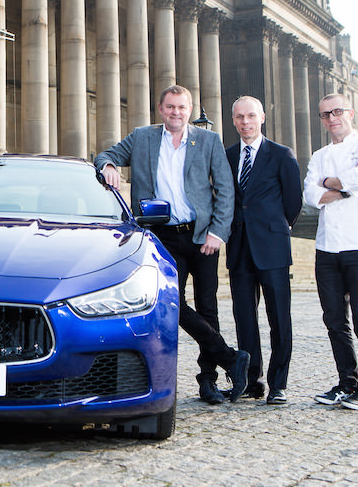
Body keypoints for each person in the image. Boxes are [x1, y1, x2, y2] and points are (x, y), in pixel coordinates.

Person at [95, 84, 248, 404]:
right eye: (170, 107)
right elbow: (107, 155)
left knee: (208, 307)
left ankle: (209, 382)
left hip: (202, 234)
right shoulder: (143, 137)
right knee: (170, 304)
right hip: (162, 237)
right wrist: (108, 166)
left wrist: (218, 232)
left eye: (181, 107)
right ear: (161, 109)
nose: (175, 112)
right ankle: (230, 357)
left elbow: (225, 189)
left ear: (188, 110)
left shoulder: (208, 140)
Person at [303, 93, 358, 411]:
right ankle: (346, 382)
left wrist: (332, 183)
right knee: (334, 320)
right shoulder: (320, 154)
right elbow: (310, 194)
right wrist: (339, 188)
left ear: (349, 113)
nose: (331, 118)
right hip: (327, 246)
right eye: (325, 114)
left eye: (337, 112)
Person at [225, 96, 302, 406]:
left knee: (278, 318)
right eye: (240, 117)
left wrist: (276, 228)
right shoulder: (227, 156)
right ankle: (251, 381)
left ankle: (278, 383)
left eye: (251, 116)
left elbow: (293, 203)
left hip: (272, 247)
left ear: (262, 118)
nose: (246, 122)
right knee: (244, 318)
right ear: (233, 120)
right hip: (239, 247)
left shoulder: (282, 155)